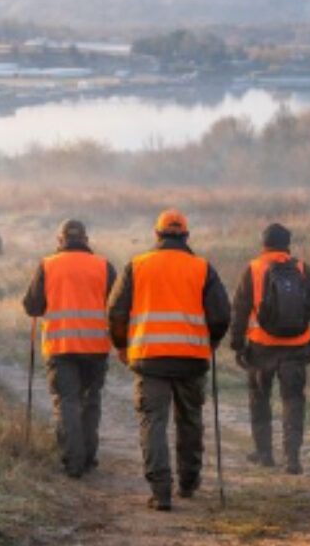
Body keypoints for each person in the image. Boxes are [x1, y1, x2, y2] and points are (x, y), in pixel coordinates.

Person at [107, 209, 231, 511]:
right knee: (190, 420)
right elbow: (221, 315)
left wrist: (121, 345)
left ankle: (161, 492)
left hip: (149, 359)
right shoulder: (202, 268)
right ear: (186, 235)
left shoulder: (137, 266)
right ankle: (188, 483)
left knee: (153, 422)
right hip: (191, 358)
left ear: (157, 234)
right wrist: (212, 341)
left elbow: (116, 311)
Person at [229, 222, 310, 474]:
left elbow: (239, 311)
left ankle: (264, 454)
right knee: (293, 401)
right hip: (296, 348)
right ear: (287, 245)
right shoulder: (303, 269)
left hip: (261, 348)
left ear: (263, 244)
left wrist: (237, 345)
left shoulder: (253, 269)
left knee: (259, 399)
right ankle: (292, 458)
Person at [22, 219, 117, 478]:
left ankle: (73, 462)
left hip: (61, 347)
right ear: (86, 240)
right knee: (91, 401)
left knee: (67, 402)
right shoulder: (104, 266)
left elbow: (32, 306)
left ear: (60, 240)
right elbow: (118, 306)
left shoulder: (48, 265)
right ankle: (88, 458)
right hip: (96, 347)